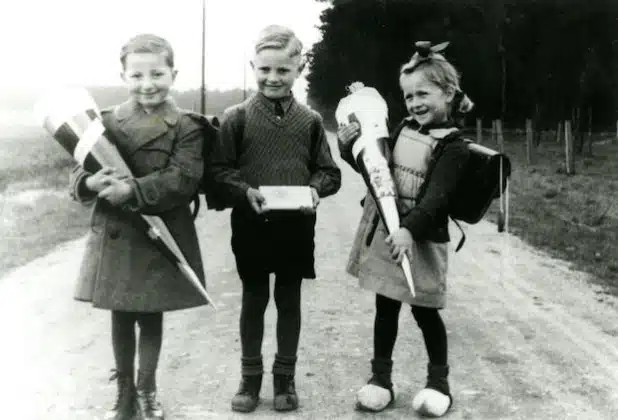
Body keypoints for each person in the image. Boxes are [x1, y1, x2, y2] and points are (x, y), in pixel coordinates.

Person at [69, 33, 212, 420]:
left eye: (157, 73)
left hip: (158, 231)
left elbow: (183, 179)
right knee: (120, 314)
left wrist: (131, 189)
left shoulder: (187, 126)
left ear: (173, 74)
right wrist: (90, 183)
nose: (147, 84)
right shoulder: (105, 123)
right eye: (136, 75)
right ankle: (125, 395)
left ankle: (147, 391)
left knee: (150, 314)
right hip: (118, 232)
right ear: (123, 76)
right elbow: (80, 169)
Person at [209, 24, 341, 413]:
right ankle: (250, 379)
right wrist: (244, 192)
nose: (272, 78)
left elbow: (329, 172)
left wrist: (315, 190)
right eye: (264, 69)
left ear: (298, 68)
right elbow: (219, 170)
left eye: (282, 70)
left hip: (296, 224)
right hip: (251, 223)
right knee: (253, 298)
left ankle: (285, 377)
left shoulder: (311, 120)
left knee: (289, 298)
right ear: (253, 66)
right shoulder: (236, 118)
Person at [337, 41, 473, 417]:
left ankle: (438, 384)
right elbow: (378, 172)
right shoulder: (403, 128)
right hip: (389, 235)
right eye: (408, 96)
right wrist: (351, 151)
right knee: (385, 307)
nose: (414, 103)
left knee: (426, 311)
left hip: (421, 240)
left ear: (447, 93)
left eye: (423, 94)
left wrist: (410, 230)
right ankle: (381, 380)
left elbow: (436, 199)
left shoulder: (455, 146)